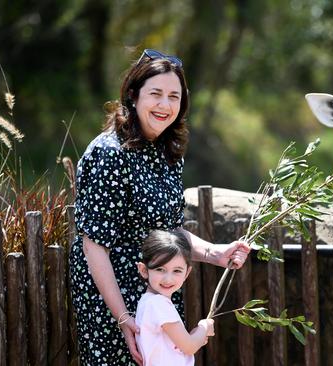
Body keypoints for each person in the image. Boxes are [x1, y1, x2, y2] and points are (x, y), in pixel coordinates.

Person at [68, 49, 251, 366]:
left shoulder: (167, 153)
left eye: (174, 96)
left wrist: (215, 253)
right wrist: (125, 319)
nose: (165, 105)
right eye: (156, 94)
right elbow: (93, 246)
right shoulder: (108, 153)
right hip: (113, 300)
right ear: (133, 95)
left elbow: (170, 232)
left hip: (158, 291)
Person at [135, 230, 214, 365]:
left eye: (177, 271)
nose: (168, 279)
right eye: (160, 269)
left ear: (187, 272)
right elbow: (189, 347)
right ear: (144, 270)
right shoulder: (158, 304)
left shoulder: (147, 301)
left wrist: (196, 336)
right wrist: (204, 327)